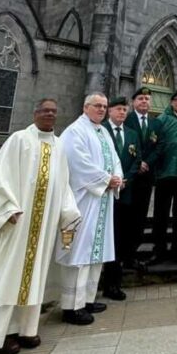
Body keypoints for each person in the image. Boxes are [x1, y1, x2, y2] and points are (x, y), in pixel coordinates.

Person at [0, 98, 80, 354]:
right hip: (18, 223)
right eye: (45, 110)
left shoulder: (58, 146)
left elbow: (63, 184)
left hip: (43, 226)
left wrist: (69, 213)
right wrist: (7, 208)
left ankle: (26, 329)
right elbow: (0, 178)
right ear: (35, 113)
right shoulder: (19, 140)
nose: (50, 114)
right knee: (6, 276)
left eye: (53, 111)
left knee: (33, 276)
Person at [57, 92, 123, 324]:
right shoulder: (75, 131)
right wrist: (106, 179)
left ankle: (87, 299)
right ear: (85, 107)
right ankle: (71, 306)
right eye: (97, 105)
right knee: (80, 252)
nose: (102, 109)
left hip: (102, 201)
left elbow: (115, 159)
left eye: (104, 106)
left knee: (96, 253)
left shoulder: (103, 131)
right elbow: (78, 163)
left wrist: (117, 177)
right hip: (84, 201)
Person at [148, 89, 177, 265]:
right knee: (160, 216)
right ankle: (158, 251)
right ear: (171, 102)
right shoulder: (161, 120)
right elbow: (153, 146)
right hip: (164, 175)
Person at [101, 96, 141, 299]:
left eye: (125, 110)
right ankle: (100, 284)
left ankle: (114, 284)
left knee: (119, 238)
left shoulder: (132, 134)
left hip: (125, 194)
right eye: (118, 109)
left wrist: (126, 180)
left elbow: (137, 160)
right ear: (110, 111)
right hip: (104, 193)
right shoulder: (101, 131)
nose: (122, 113)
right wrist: (110, 180)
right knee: (105, 238)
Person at [125, 86, 164, 267]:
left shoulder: (156, 123)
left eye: (147, 99)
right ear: (134, 102)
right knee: (127, 215)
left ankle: (132, 254)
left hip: (147, 177)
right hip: (129, 177)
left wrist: (147, 162)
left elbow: (160, 146)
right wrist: (138, 162)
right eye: (141, 98)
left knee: (140, 216)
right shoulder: (127, 119)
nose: (144, 101)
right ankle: (121, 255)